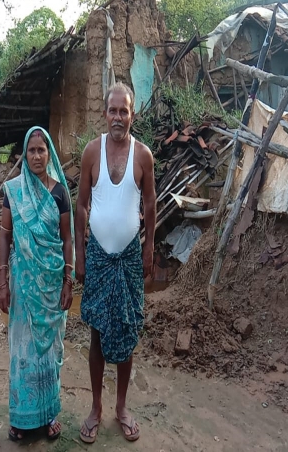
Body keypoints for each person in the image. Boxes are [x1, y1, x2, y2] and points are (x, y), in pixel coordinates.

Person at [75, 83, 157, 443]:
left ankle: (122, 406)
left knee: (126, 332)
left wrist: (149, 246)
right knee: (96, 332)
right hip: (96, 257)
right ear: (104, 113)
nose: (118, 117)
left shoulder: (144, 156)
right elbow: (80, 205)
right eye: (112, 111)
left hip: (127, 259)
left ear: (132, 114)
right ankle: (96, 407)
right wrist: (79, 252)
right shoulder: (92, 152)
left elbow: (151, 204)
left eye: (124, 111)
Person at [0, 126, 74, 442]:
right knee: (22, 351)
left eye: (42, 150)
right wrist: (2, 281)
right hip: (24, 285)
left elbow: (67, 238)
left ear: (49, 153)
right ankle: (21, 418)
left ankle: (50, 414)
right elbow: (5, 236)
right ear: (24, 156)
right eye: (31, 151)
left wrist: (68, 279)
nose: (37, 156)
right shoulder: (12, 191)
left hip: (51, 284)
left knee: (50, 351)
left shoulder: (59, 193)